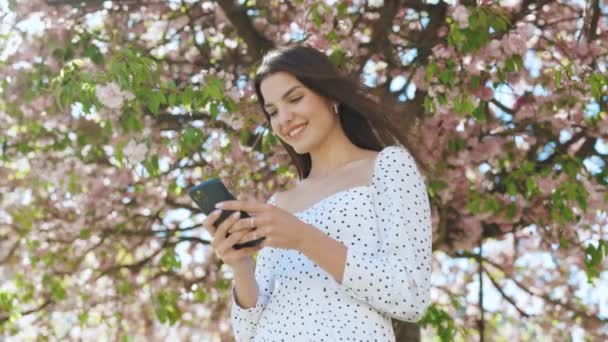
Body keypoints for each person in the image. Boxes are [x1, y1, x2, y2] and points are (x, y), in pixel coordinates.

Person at [202, 44, 432, 341]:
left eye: (295, 98)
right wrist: (241, 266)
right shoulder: (279, 203)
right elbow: (248, 334)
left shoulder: (387, 166)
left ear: (331, 96)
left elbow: (410, 296)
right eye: (272, 112)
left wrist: (303, 238)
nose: (283, 119)